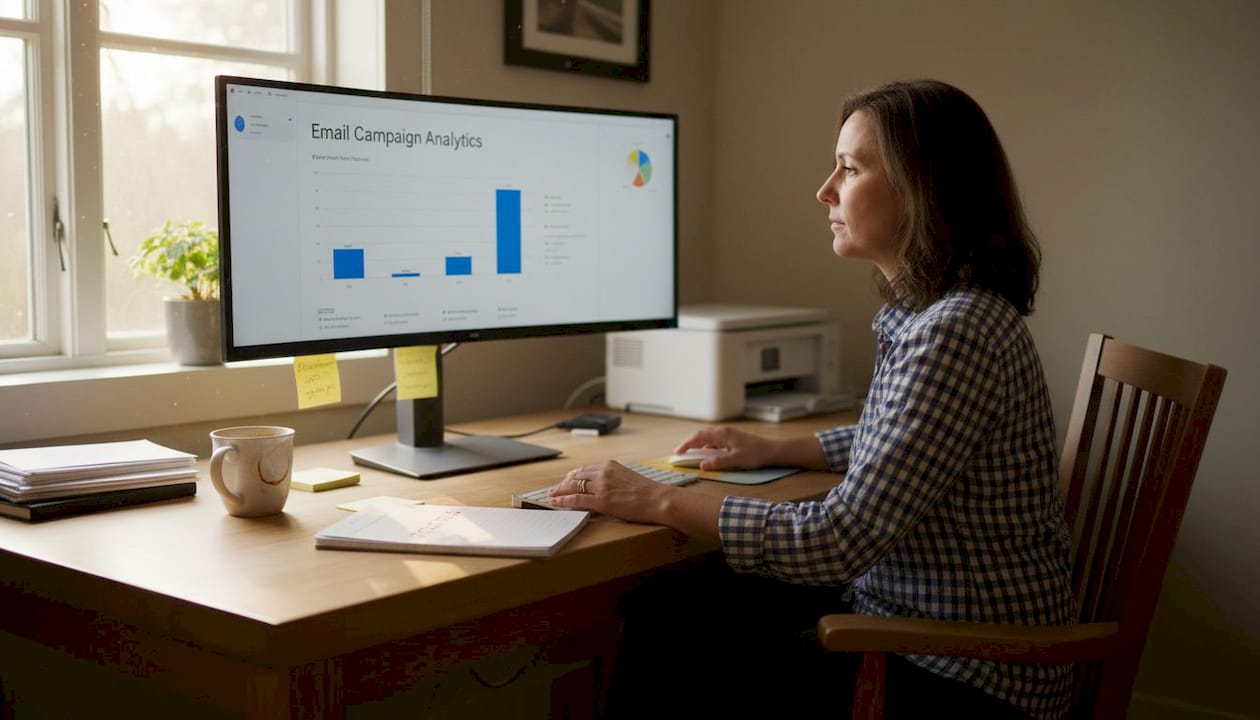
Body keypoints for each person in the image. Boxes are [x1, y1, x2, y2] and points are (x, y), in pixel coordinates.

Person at [549, 79, 1075, 719]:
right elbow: (904, 442)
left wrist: (657, 496)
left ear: (920, 187)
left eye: (849, 169)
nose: (825, 191)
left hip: (964, 672)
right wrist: (776, 447)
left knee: (670, 632)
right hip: (921, 626)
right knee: (674, 602)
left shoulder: (951, 329)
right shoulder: (941, 313)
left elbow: (838, 539)